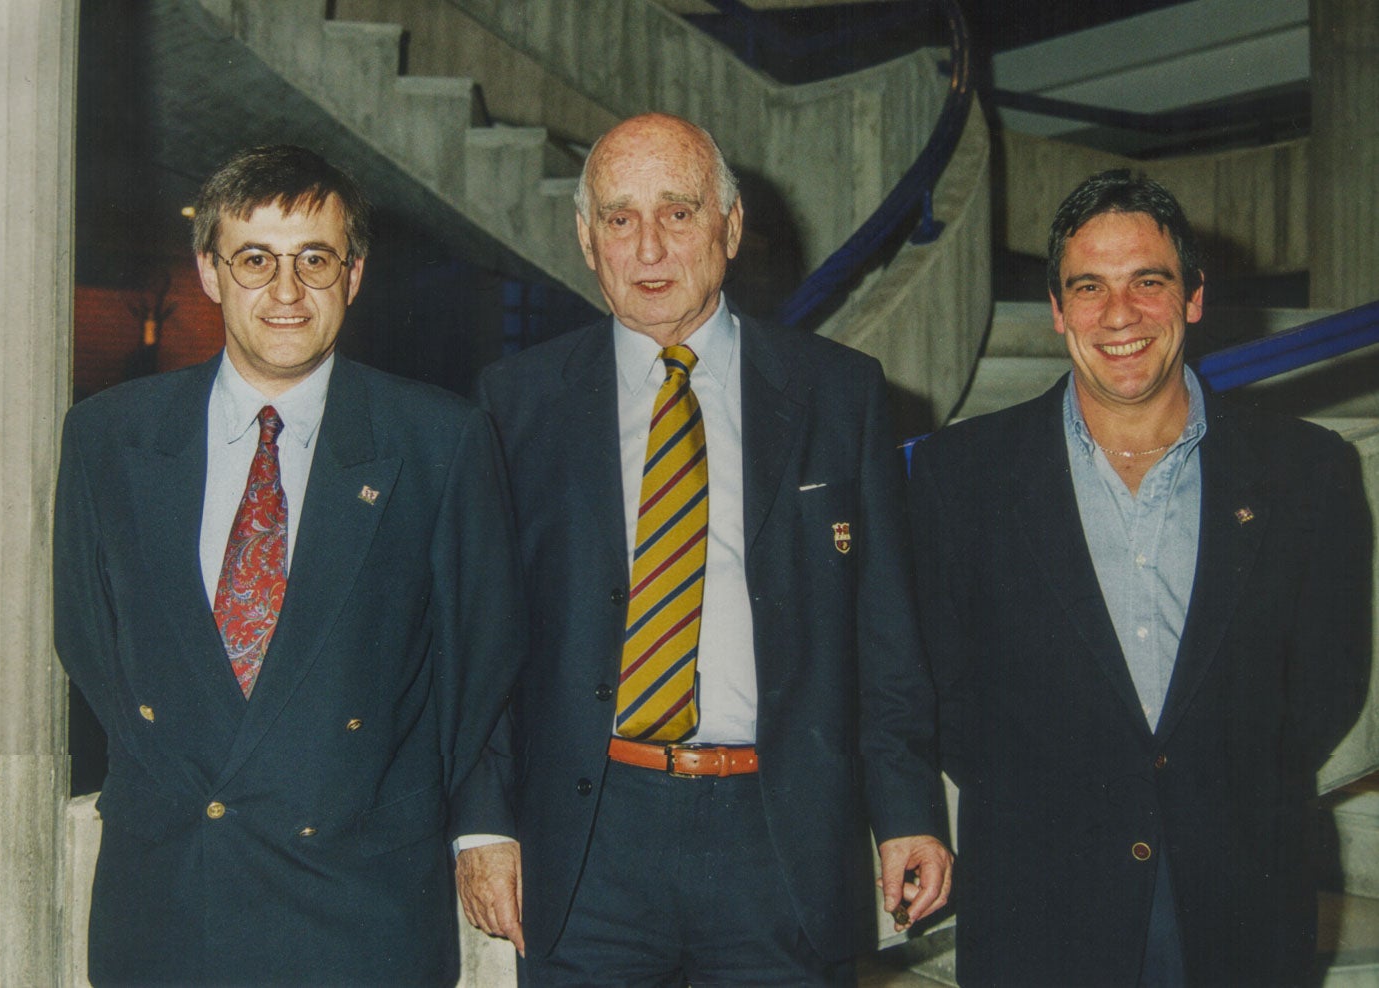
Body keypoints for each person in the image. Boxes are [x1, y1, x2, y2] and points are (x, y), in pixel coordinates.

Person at [454, 112, 952, 985]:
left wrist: (908, 810)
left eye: (678, 214)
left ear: (728, 228)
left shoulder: (840, 395)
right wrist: (485, 825)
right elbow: (485, 639)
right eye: (618, 218)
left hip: (777, 836)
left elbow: (882, 631)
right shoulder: (513, 404)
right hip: (588, 842)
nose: (648, 247)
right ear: (585, 239)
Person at [53, 144, 525, 986]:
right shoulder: (109, 436)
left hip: (359, 900)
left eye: (315, 260)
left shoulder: (437, 439)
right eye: (255, 260)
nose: (284, 292)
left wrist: (478, 826)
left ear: (354, 275)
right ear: (209, 272)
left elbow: (480, 660)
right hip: (168, 898)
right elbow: (87, 640)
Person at [908, 169, 1373, 986]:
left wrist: (1217, 779)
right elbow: (939, 691)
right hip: (1040, 900)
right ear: (1057, 310)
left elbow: (1327, 683)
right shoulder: (961, 477)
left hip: (1239, 895)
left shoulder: (1308, 471)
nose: (1117, 315)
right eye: (1087, 287)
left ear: (1192, 296)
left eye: (1146, 282)